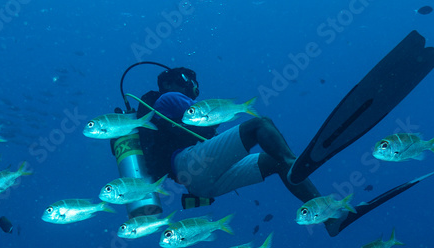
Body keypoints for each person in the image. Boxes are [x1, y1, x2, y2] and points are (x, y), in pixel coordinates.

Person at [135, 66, 322, 206]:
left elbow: (205, 130)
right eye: (184, 80)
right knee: (260, 124)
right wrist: (222, 110)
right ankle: (295, 163)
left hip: (199, 185)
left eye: (193, 84)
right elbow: (208, 120)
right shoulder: (168, 97)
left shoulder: (170, 113)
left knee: (275, 161)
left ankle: (324, 211)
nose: (191, 85)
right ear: (167, 84)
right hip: (188, 162)